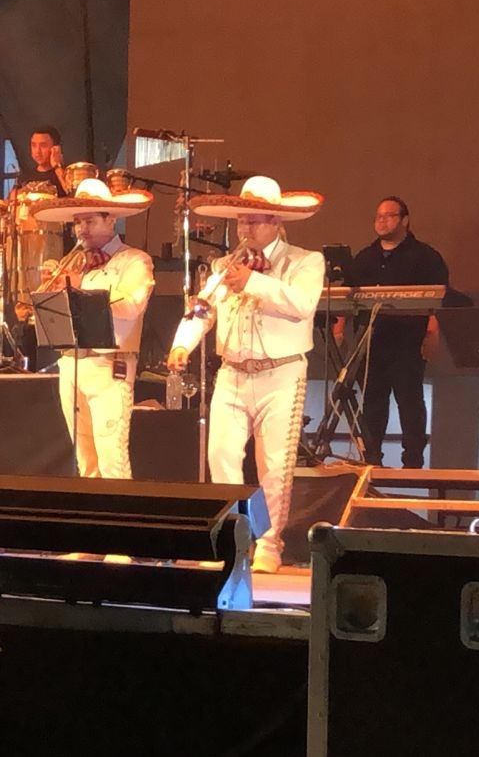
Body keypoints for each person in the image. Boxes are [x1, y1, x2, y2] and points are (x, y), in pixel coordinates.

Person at [166, 176, 325, 573]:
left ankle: (269, 543)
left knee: (274, 464)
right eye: (241, 222)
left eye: (253, 222)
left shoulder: (305, 261)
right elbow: (203, 308)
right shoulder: (224, 265)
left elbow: (301, 304)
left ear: (275, 221)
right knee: (220, 453)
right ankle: (231, 539)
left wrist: (253, 281)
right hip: (233, 371)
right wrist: (182, 342)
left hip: (281, 372)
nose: (246, 230)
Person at [27, 178, 155, 479]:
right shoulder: (74, 263)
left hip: (110, 364)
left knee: (112, 457)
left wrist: (78, 286)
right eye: (77, 222)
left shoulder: (135, 260)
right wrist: (55, 292)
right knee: (84, 459)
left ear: (110, 219)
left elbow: (131, 307)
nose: (82, 229)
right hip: (71, 362)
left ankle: (121, 523)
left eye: (89, 220)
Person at [332, 196, 449, 468]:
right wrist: (339, 330)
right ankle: (371, 458)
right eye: (378, 217)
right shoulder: (365, 257)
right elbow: (347, 296)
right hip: (371, 342)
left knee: (409, 401)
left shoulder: (425, 256)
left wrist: (433, 332)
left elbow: (439, 298)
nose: (382, 221)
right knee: (373, 401)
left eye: (388, 216)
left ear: (404, 220)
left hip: (407, 341)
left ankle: (413, 460)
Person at [16, 126, 67, 193]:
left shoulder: (68, 174)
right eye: (34, 145)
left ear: (55, 148)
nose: (37, 151)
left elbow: (73, 195)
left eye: (43, 146)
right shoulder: (25, 177)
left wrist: (57, 166)